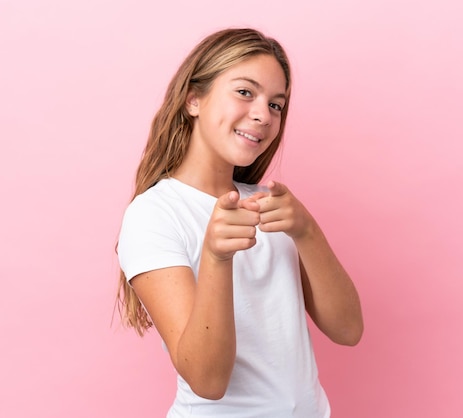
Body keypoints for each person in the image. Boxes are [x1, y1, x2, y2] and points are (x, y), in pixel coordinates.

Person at [116, 27, 363, 417]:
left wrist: (307, 231)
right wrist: (216, 258)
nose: (263, 115)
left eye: (276, 104)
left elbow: (348, 331)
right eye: (245, 92)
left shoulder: (269, 204)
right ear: (193, 100)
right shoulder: (154, 215)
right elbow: (208, 381)